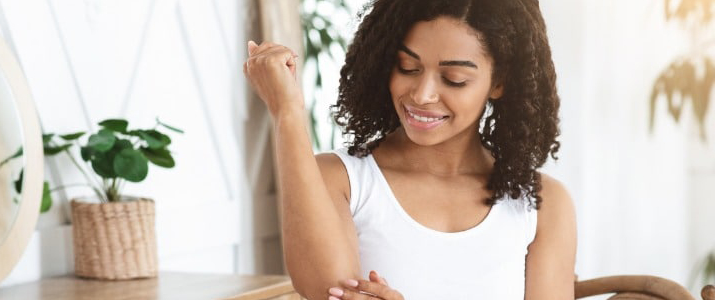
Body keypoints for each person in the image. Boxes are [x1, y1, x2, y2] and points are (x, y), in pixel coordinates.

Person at [243, 0, 576, 299]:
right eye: (408, 67)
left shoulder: (542, 206)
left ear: (500, 82)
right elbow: (326, 290)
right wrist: (286, 109)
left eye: (454, 78)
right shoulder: (341, 181)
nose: (422, 94)